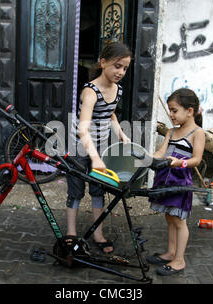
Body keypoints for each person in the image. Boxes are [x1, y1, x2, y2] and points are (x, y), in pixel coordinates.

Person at [66, 42, 132, 253]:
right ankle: (70, 233)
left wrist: (120, 133)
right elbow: (82, 130)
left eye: (125, 68)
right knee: (75, 192)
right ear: (103, 63)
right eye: (117, 66)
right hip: (80, 148)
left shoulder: (118, 90)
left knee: (98, 191)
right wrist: (94, 158)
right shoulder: (91, 91)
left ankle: (98, 233)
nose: (121, 72)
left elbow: (110, 112)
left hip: (101, 148)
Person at [146, 88, 205, 275]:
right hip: (165, 179)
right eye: (170, 110)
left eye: (174, 110)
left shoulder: (197, 133)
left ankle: (179, 260)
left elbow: (197, 159)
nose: (171, 115)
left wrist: (181, 162)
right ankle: (171, 252)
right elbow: (161, 152)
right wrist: (147, 157)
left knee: (180, 220)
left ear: (190, 111)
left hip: (180, 182)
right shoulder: (171, 132)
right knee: (169, 217)